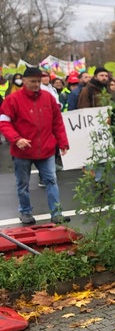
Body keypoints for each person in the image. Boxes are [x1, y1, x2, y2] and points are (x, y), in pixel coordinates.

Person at [0, 67, 70, 225]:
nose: (36, 84)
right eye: (33, 81)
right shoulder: (12, 100)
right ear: (24, 81)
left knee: (51, 180)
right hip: (22, 151)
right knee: (22, 184)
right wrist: (17, 139)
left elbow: (57, 122)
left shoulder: (49, 98)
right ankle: (25, 212)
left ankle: (56, 213)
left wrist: (63, 142)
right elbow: (4, 123)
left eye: (39, 81)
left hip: (46, 149)